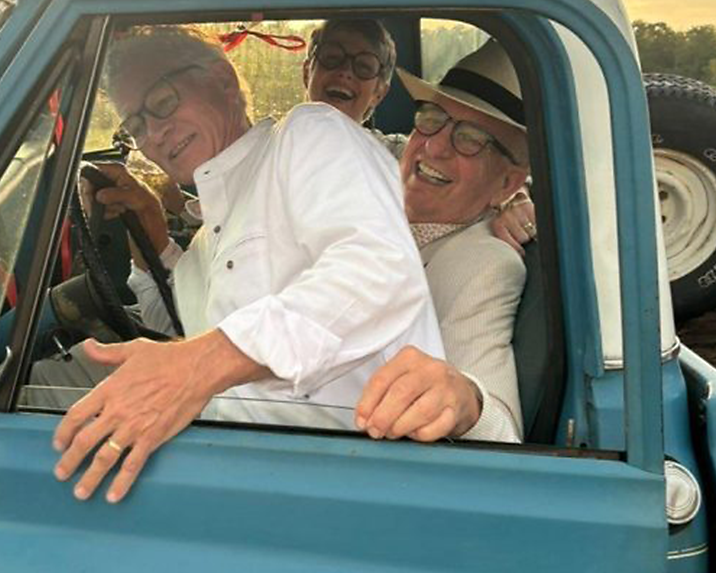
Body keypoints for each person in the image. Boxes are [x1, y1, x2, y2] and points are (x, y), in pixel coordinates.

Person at [50, 25, 446, 503]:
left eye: (162, 102)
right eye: (135, 125)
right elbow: (177, 330)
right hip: (239, 474)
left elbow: (379, 270)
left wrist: (204, 363)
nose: (153, 133)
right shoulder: (206, 237)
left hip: (350, 483)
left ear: (220, 79)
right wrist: (152, 248)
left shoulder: (308, 135)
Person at [359, 40, 532, 442]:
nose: (434, 146)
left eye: (470, 138)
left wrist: (464, 399)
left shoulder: (485, 262)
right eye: (433, 117)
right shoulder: (379, 192)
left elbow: (502, 429)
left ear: (506, 181)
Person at [302, 18, 537, 251]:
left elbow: (491, 171)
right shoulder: (267, 144)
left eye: (364, 67)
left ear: (379, 94)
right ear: (306, 73)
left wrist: (517, 197)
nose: (344, 72)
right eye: (332, 58)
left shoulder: (391, 154)